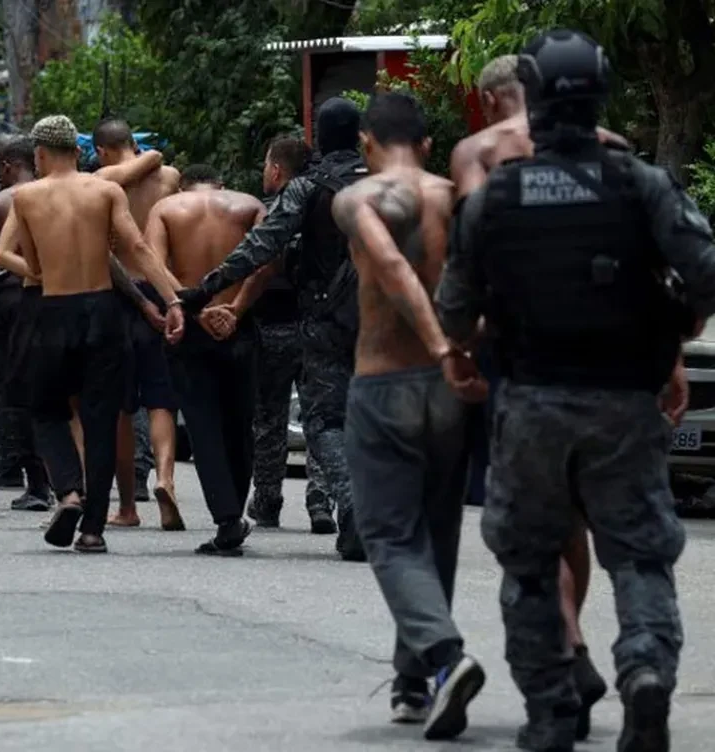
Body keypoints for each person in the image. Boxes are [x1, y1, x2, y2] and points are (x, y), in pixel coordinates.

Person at [437, 30, 715, 752]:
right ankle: (646, 671)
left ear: (531, 101)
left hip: (531, 403)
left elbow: (454, 307)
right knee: (639, 556)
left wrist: (465, 352)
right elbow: (706, 271)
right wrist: (675, 325)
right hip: (625, 402)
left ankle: (552, 709)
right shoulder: (639, 183)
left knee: (530, 563)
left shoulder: (493, 197)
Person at [449, 52, 626, 742]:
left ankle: (569, 645)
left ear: (495, 99)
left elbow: (467, 258)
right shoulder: (609, 148)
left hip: (516, 352)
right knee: (574, 514)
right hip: (605, 354)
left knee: (531, 515)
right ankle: (574, 642)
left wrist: (455, 346)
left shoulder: (480, 152)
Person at [327, 92, 486, 739]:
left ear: (366, 142)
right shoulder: (455, 196)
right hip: (451, 389)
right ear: (425, 144)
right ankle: (414, 680)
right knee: (436, 532)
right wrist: (463, 351)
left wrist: (437, 342)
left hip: (386, 379)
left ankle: (446, 658)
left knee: (390, 535)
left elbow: (392, 266)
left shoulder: (357, 199)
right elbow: (487, 284)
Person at [179, 97, 369, 561]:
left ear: (320, 138)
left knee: (325, 419)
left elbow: (262, 246)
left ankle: (354, 504)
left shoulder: (308, 187)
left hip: (327, 320)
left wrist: (207, 287)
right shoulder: (388, 184)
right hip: (390, 319)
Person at [0, 114, 184, 554]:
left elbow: (3, 253)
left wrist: (36, 271)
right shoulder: (105, 190)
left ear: (39, 154)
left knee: (46, 410)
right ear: (77, 152)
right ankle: (94, 529)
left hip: (51, 310)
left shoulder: (27, 197)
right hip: (101, 310)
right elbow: (137, 248)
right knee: (101, 418)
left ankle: (69, 491)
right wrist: (174, 300)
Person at [145, 164, 265, 555]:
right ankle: (234, 510)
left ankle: (228, 517)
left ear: (182, 187)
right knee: (239, 422)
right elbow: (269, 258)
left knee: (202, 423)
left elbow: (153, 264)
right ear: (221, 186)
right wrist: (236, 308)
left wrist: (191, 308)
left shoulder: (166, 209)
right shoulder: (248, 205)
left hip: (188, 325)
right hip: (239, 324)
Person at [237, 134, 333, 532]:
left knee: (269, 419)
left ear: (277, 170)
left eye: (265, 164)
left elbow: (259, 264)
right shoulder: (323, 209)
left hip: (273, 327)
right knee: (320, 417)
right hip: (316, 326)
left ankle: (268, 500)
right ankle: (320, 501)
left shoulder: (270, 212)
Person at [91, 118, 184, 529]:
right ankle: (165, 477)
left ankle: (128, 506)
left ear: (103, 150)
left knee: (122, 408)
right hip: (161, 289)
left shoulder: (102, 179)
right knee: (161, 397)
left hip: (120, 292)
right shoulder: (170, 177)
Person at [0, 135, 54, 511]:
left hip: (12, 299)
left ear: (11, 166)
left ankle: (29, 476)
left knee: (15, 390)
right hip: (64, 295)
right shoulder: (66, 196)